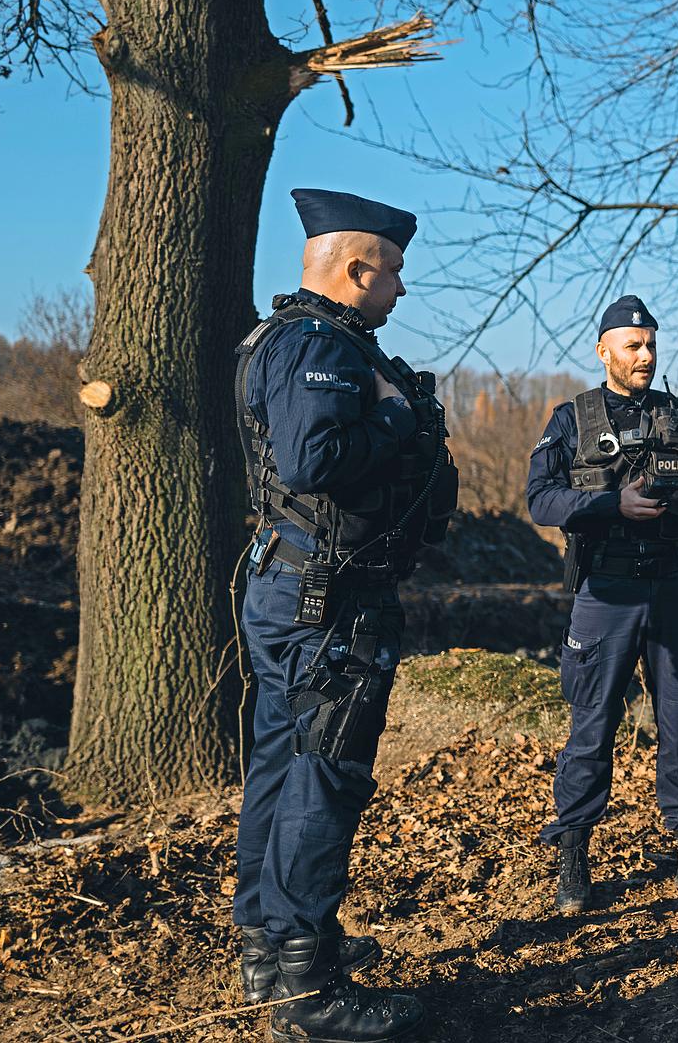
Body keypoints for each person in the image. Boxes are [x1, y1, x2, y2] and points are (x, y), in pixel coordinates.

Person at [233, 188, 457, 1042]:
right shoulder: (320, 345)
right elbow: (314, 456)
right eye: (393, 271)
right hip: (325, 600)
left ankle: (271, 948)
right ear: (356, 267)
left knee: (284, 767)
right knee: (323, 778)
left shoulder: (287, 338)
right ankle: (309, 985)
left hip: (296, 588)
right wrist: (401, 427)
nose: (400, 290)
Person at [526, 294, 678, 915]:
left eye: (651, 344)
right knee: (592, 725)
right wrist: (614, 505)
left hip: (675, 590)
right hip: (604, 595)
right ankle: (574, 854)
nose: (644, 355)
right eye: (632, 345)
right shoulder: (571, 419)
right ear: (603, 350)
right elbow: (540, 501)